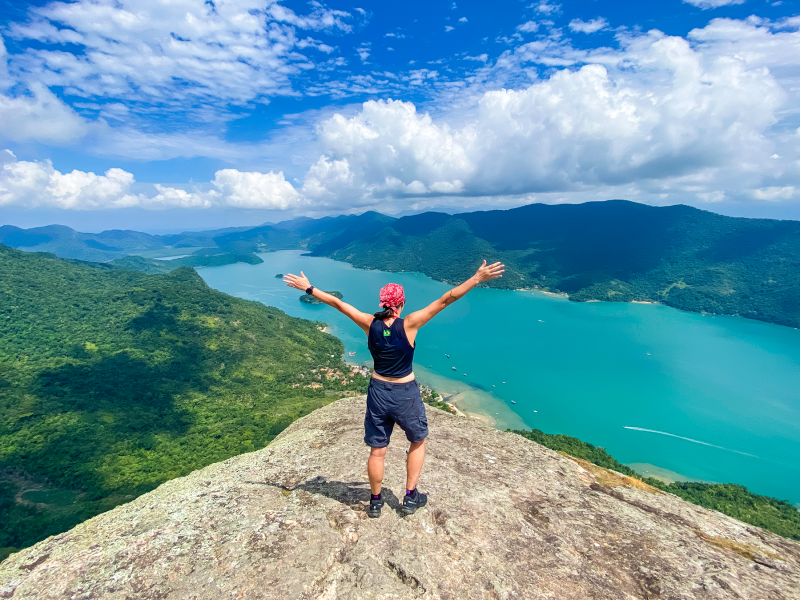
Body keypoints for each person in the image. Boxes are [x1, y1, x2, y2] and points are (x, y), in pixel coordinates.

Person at [283, 260, 505, 517]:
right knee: (418, 440)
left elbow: (338, 304)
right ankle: (411, 497)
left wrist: (309, 288)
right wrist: (477, 278)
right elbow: (447, 299)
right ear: (401, 303)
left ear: (382, 303)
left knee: (378, 450)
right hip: (405, 392)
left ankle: (375, 501)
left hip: (377, 391)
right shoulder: (409, 324)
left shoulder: (369, 323)